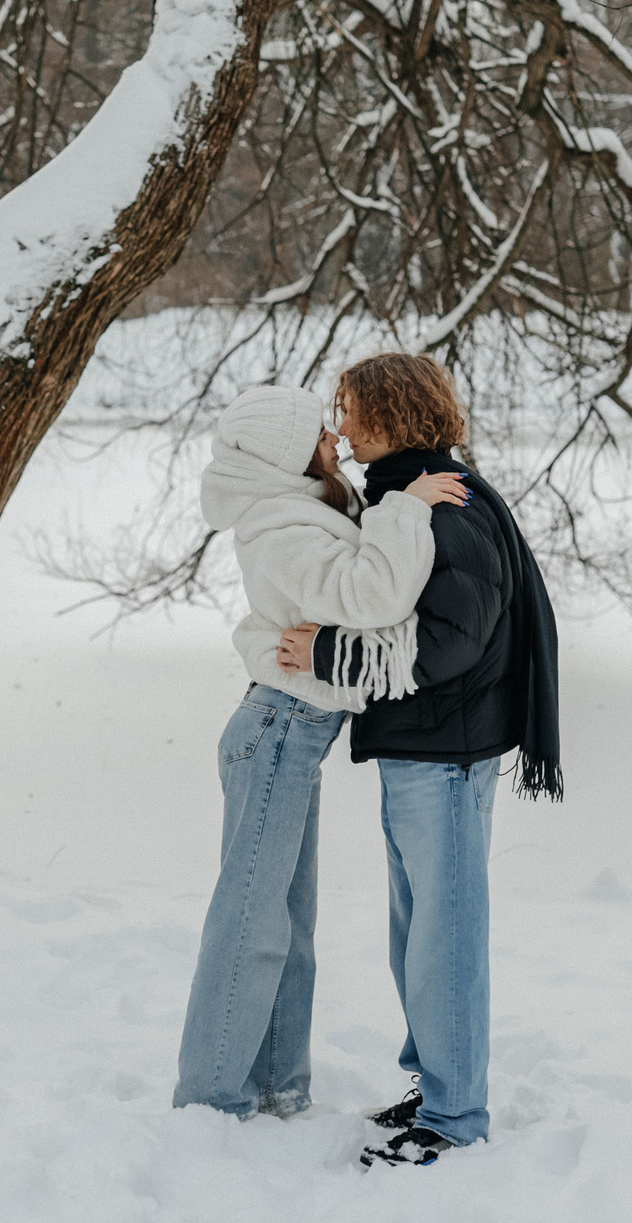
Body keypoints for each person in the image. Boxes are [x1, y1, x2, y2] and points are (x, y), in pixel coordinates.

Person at [275, 353, 561, 1168]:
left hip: (447, 754)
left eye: (353, 407)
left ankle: (455, 1115)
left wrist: (331, 652)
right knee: (418, 934)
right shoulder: (408, 497)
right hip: (424, 750)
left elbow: (449, 642)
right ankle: (434, 1086)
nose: (343, 421)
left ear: (393, 413)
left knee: (446, 936)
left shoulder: (451, 506)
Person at [173, 384, 469, 1122]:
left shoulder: (303, 511)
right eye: (319, 433)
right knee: (251, 920)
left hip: (292, 735)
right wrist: (407, 505)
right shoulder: (281, 525)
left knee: (286, 921)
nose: (336, 438)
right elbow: (373, 595)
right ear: (288, 453)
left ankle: (275, 1086)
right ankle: (211, 1099)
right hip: (278, 727)